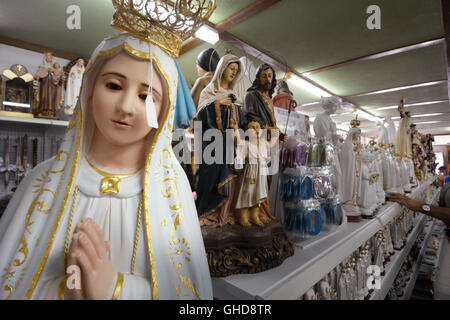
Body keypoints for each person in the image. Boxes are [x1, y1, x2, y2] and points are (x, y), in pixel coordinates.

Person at [0, 33, 212, 300]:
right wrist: (65, 292)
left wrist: (114, 288)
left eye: (146, 96)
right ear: (88, 91)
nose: (126, 107)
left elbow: (190, 295)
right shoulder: (41, 182)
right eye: (113, 86)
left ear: (163, 111)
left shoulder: (171, 187)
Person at [195, 54, 244, 227]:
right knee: (209, 179)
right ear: (222, 68)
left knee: (230, 180)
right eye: (231, 68)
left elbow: (241, 122)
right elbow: (200, 120)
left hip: (230, 146)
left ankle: (223, 214)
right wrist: (216, 104)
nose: (233, 73)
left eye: (236, 71)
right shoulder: (208, 92)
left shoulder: (234, 97)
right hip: (211, 145)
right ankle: (205, 213)